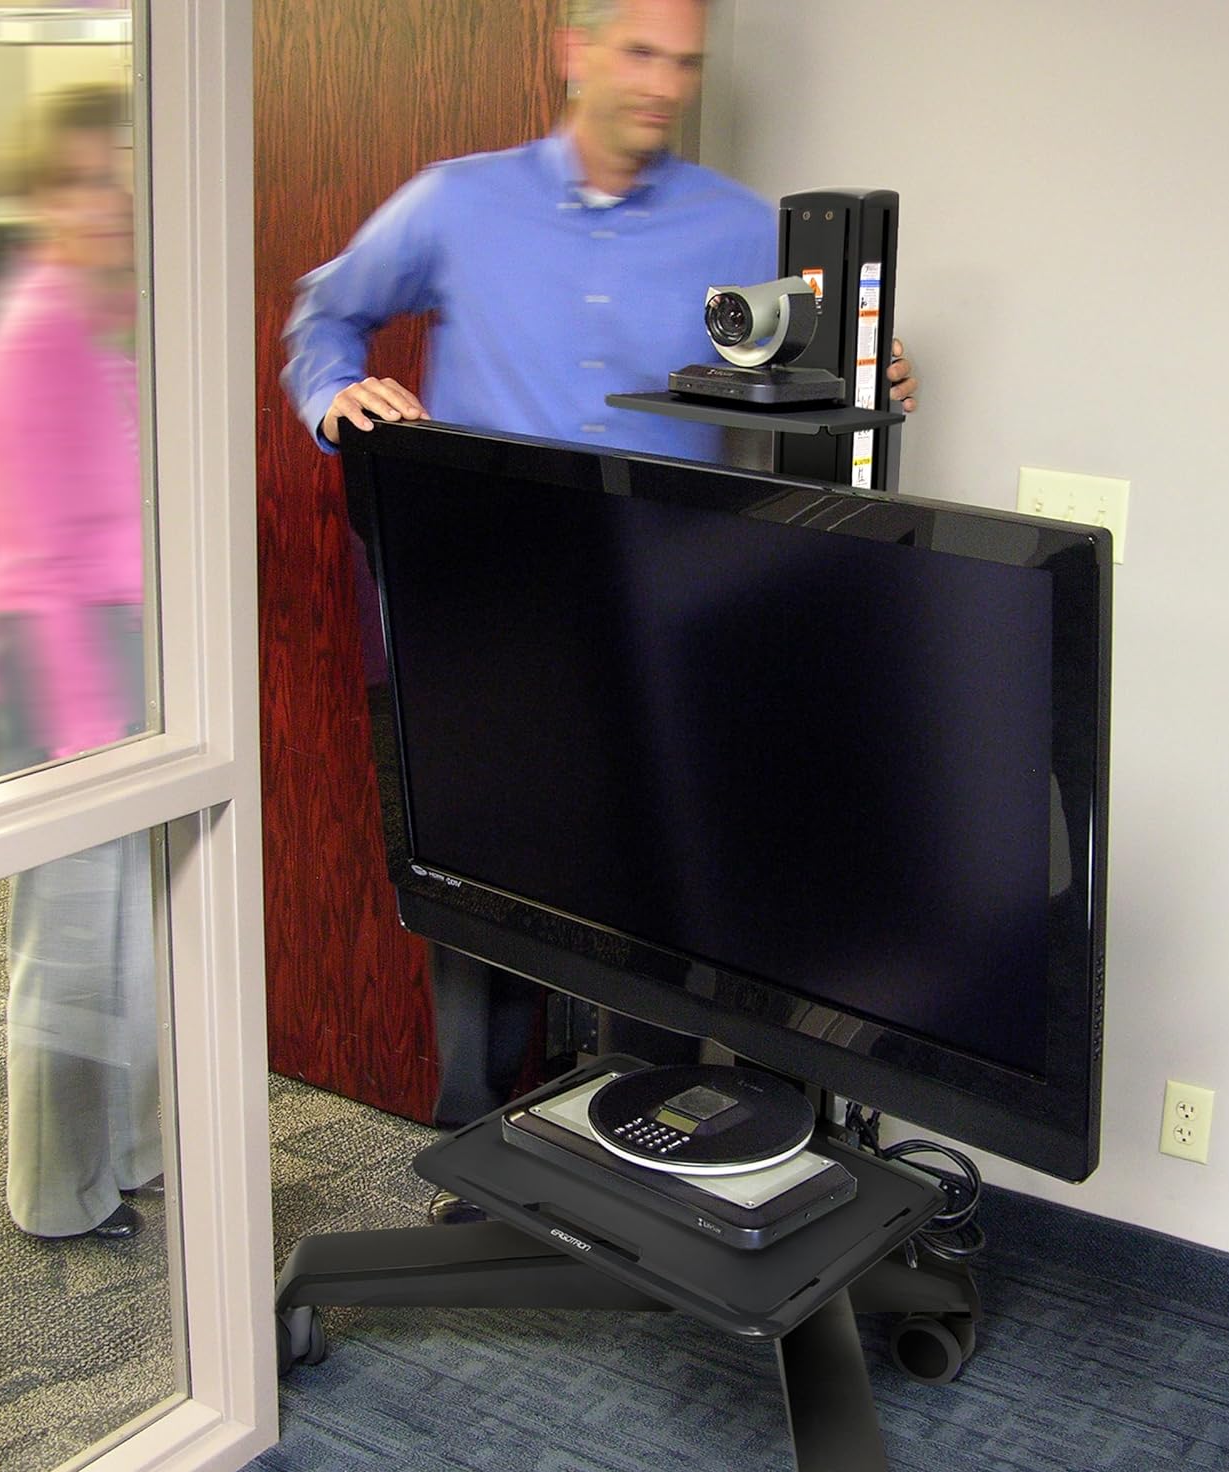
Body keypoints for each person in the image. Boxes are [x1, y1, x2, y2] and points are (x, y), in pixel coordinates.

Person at [282, 0, 918, 1127]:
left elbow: (808, 362)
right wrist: (335, 394)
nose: (663, 85)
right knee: (483, 881)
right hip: (485, 614)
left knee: (652, 901)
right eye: (640, 53)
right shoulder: (457, 201)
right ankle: (474, 1142)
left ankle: (637, 1134)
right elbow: (328, 315)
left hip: (657, 625)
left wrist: (873, 371)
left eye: (684, 64)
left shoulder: (740, 229)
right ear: (574, 52)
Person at [0, 84, 161, 1241]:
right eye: (76, 179)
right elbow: (41, 551)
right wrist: (86, 740)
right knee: (69, 937)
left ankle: (130, 1150)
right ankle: (56, 1196)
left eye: (115, 173)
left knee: (132, 932)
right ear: (35, 198)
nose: (105, 199)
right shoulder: (32, 328)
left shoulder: (111, 311)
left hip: (121, 649)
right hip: (55, 662)